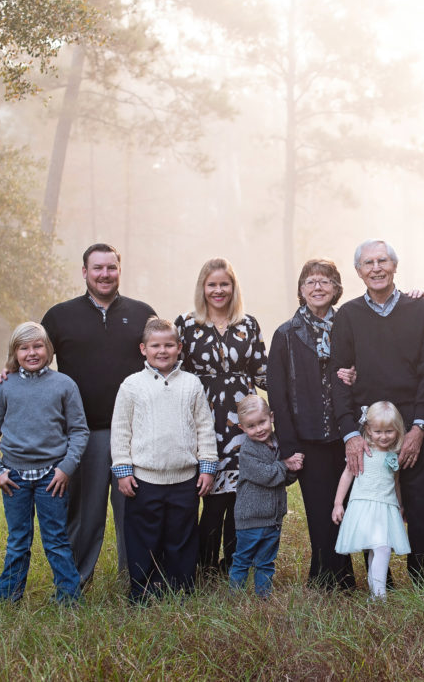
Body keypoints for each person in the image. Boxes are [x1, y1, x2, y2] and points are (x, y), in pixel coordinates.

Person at [40, 243, 155, 586]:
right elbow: (33, 356)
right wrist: (7, 371)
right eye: (98, 268)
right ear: (85, 272)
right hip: (80, 435)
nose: (105, 274)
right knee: (83, 515)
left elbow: (163, 358)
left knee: (132, 512)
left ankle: (136, 581)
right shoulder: (59, 316)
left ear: (120, 270)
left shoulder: (142, 313)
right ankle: (75, 583)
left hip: (133, 434)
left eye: (111, 268)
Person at [331, 240, 424, 585]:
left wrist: (419, 427)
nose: (376, 268)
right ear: (358, 271)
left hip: (412, 422)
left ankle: (423, 580)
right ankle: (382, 582)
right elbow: (338, 377)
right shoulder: (348, 316)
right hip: (370, 427)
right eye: (368, 263)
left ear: (394, 266)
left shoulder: (419, 309)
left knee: (419, 504)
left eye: (382, 261)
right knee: (371, 500)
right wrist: (351, 434)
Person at [110, 318, 219, 602]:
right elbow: (121, 430)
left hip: (185, 479)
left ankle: (181, 588)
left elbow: (205, 428)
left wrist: (207, 466)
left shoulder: (191, 384)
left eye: (169, 345)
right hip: (144, 479)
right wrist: (123, 470)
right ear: (143, 349)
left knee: (181, 537)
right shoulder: (132, 386)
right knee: (144, 538)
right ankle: (143, 591)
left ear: (179, 348)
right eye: (155, 346)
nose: (162, 351)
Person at [0, 321, 89, 603]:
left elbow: (79, 430)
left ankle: (69, 599)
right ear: (14, 353)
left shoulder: (64, 385)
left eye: (38, 346)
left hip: (51, 478)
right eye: (24, 348)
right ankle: (8, 600)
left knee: (56, 540)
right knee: (18, 541)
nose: (32, 352)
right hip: (13, 477)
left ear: (48, 349)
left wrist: (66, 468)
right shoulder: (5, 387)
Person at [267, 259, 357, 591]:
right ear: (301, 290)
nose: (317, 287)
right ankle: (325, 579)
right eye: (310, 282)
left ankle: (344, 576)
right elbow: (277, 394)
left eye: (325, 281)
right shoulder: (286, 334)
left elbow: (366, 371)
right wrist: (288, 446)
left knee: (346, 505)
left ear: (337, 288)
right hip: (307, 438)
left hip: (347, 433)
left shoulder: (349, 328)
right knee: (320, 510)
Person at [175, 258, 268, 578]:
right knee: (211, 496)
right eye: (212, 284)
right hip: (203, 417)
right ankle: (204, 567)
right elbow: (172, 370)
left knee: (239, 497)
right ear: (203, 287)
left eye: (224, 284)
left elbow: (262, 371)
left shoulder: (248, 324)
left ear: (233, 287)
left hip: (243, 419)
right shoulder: (186, 325)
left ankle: (234, 564)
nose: (218, 290)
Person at [332, 401, 410, 599]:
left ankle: (375, 594)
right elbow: (347, 475)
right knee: (380, 549)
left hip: (386, 508)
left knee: (380, 549)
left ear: (398, 430)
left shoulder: (394, 455)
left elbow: (396, 483)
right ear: (368, 429)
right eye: (378, 431)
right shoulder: (362, 451)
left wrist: (400, 506)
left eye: (389, 432)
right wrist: (338, 503)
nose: (383, 436)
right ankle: (379, 594)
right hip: (364, 506)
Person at [229, 395, 304, 598]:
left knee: (266, 561)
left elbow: (284, 479)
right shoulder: (247, 451)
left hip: (273, 519)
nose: (259, 429)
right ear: (242, 428)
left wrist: (294, 468)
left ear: (271, 417)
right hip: (250, 519)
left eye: (262, 422)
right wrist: (285, 464)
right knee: (243, 559)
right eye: (251, 426)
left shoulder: (279, 443)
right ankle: (235, 597)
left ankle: (264, 596)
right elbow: (267, 476)